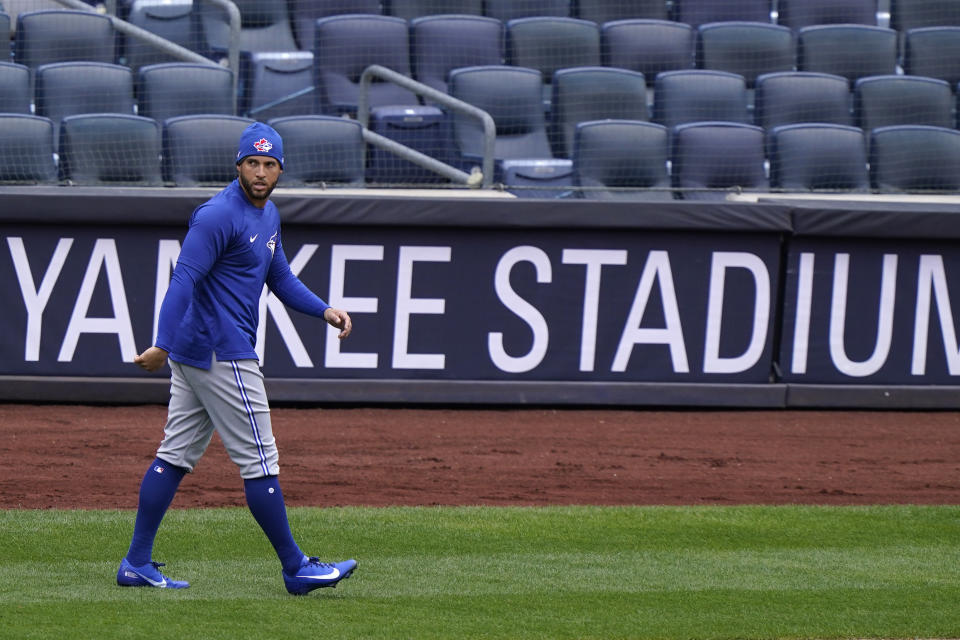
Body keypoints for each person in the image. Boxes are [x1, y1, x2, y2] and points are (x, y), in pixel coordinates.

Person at [116, 122, 357, 595]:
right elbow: (183, 278)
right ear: (238, 165)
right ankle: (296, 568)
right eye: (253, 163)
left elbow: (280, 277)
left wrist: (323, 309)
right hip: (220, 352)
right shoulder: (217, 215)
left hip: (199, 352)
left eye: (270, 165)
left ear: (280, 169)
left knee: (175, 455)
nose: (261, 172)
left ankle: (136, 563)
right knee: (261, 460)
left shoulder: (267, 215)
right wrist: (161, 345)